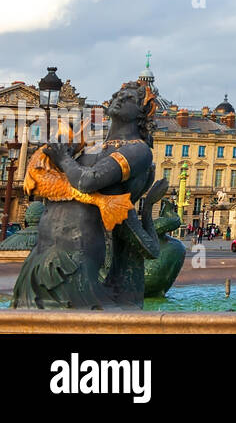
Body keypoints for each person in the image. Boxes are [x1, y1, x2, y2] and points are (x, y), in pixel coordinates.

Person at [12, 78, 164, 309]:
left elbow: (86, 181)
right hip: (39, 258)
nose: (119, 98)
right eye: (117, 95)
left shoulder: (137, 150)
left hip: (75, 260)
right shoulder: (89, 145)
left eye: (130, 98)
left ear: (143, 112)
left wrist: (63, 159)